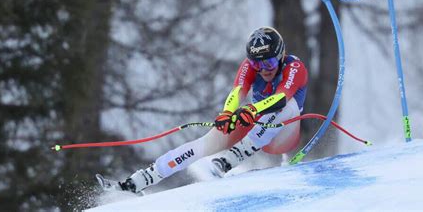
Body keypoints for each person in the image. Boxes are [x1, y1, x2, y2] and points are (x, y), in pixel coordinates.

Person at [118, 26, 308, 193]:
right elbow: (238, 92)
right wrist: (227, 113)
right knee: (208, 140)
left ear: (281, 56)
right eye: (257, 64)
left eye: (269, 63)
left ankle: (231, 158)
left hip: (285, 136)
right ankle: (144, 178)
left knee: (287, 107)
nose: (264, 69)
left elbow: (281, 98)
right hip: (256, 128)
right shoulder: (250, 67)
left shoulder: (294, 67)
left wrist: (251, 110)